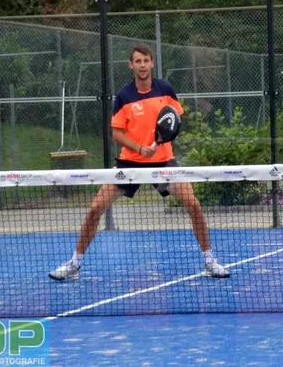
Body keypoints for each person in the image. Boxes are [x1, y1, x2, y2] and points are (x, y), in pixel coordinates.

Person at [49, 44, 230, 280]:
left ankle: (210, 261)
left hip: (164, 163)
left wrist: (157, 145)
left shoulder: (165, 89)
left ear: (152, 63)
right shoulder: (124, 95)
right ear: (131, 65)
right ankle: (74, 264)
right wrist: (139, 148)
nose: (142, 65)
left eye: (146, 60)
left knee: (193, 205)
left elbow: (174, 121)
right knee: (95, 209)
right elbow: (117, 133)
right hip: (130, 164)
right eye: (138, 61)